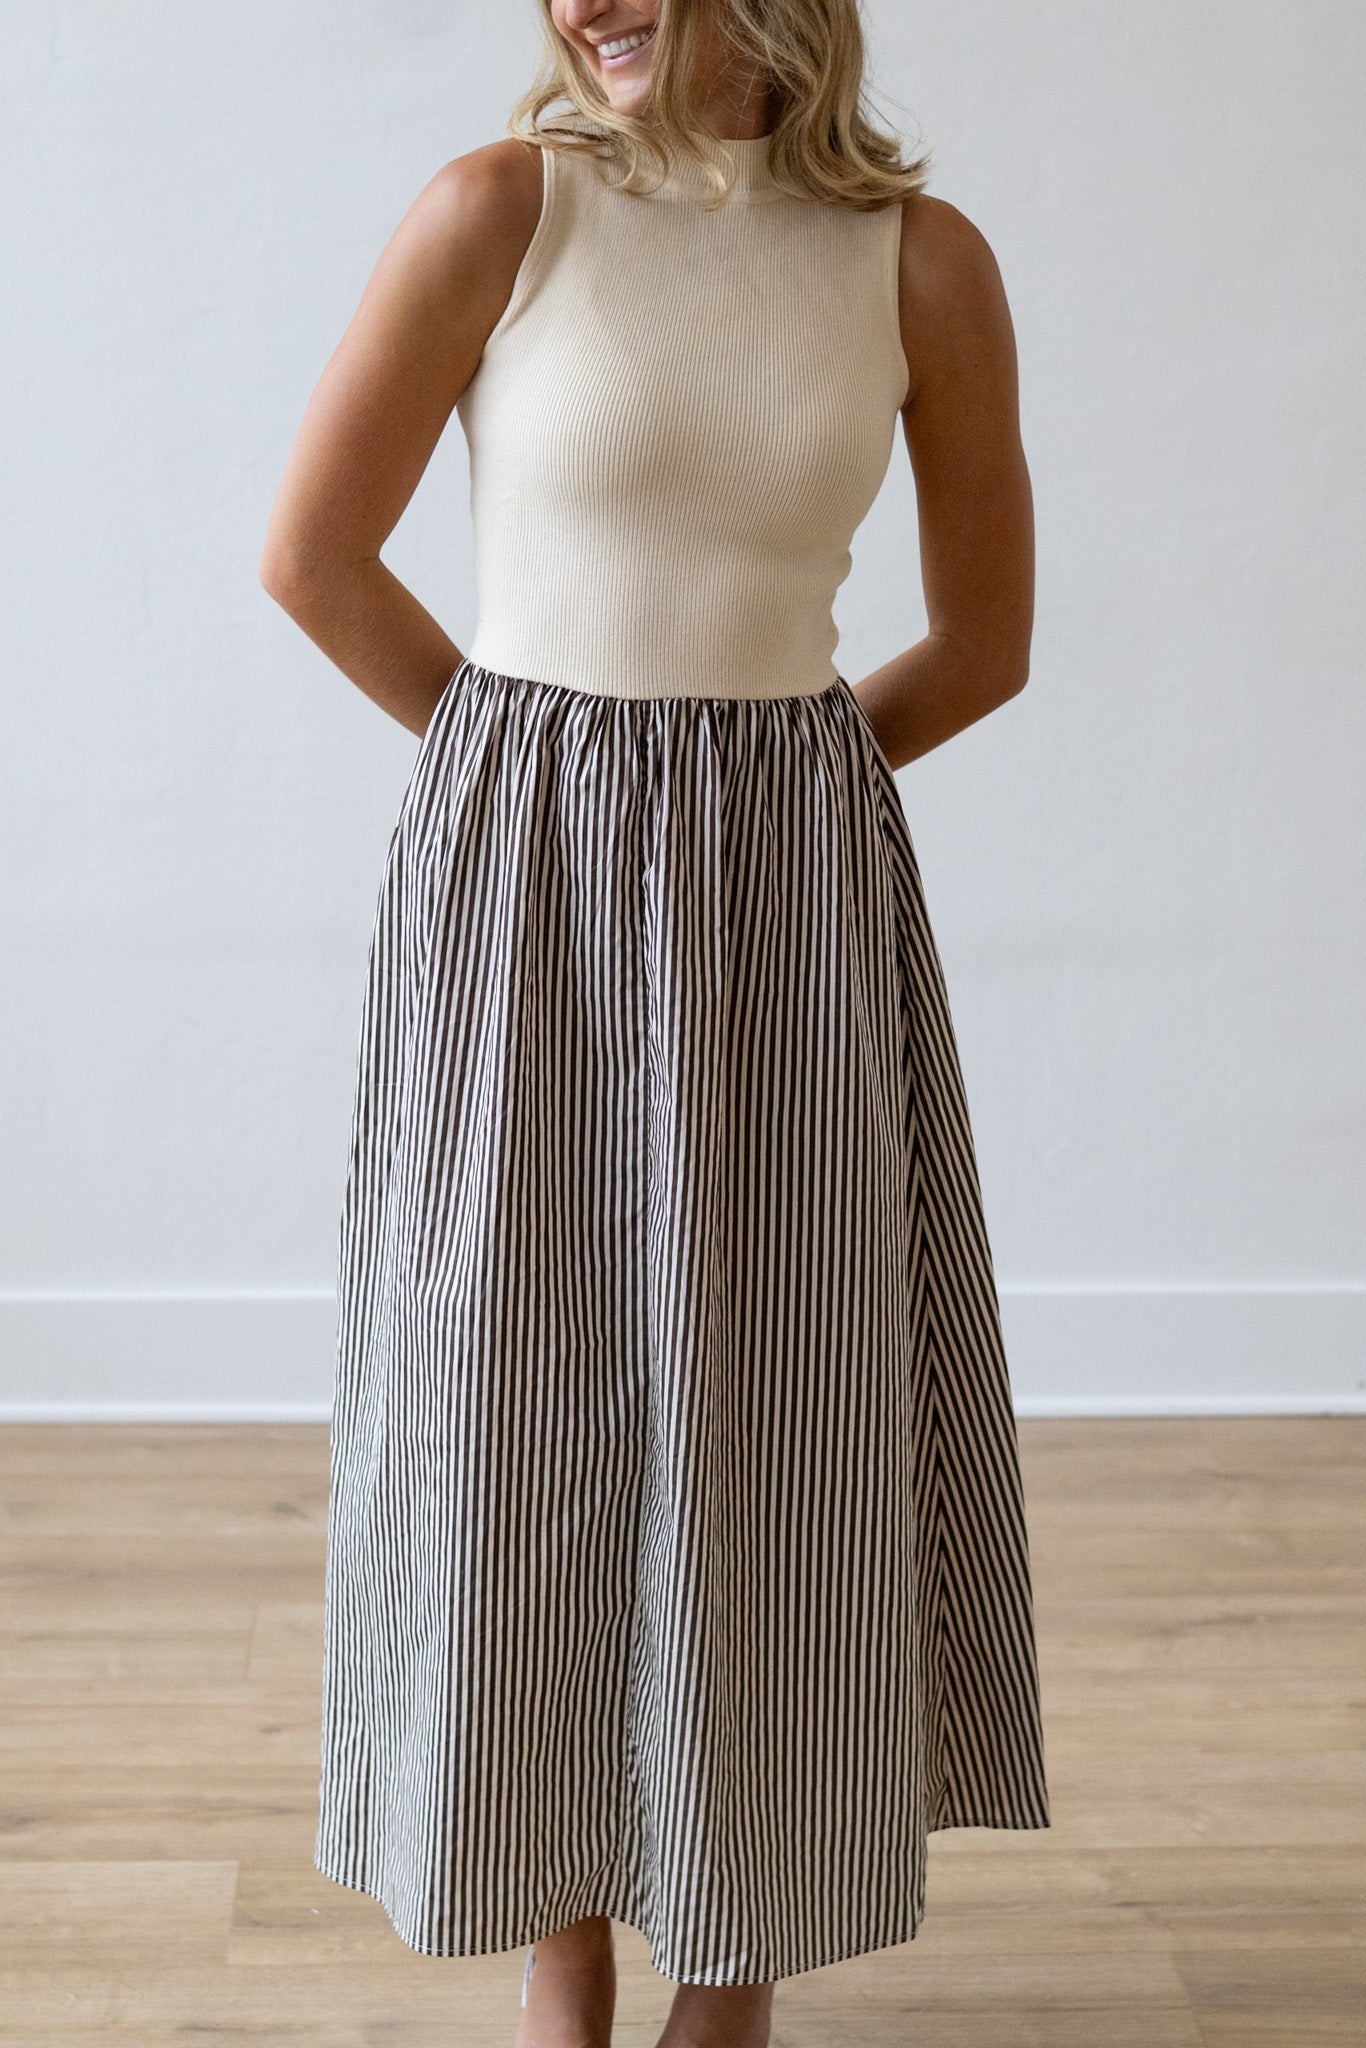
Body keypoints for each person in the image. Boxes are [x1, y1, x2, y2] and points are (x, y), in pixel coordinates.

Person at [259, 2, 1050, 2043]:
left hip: (784, 903)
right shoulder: (494, 215)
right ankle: (555, 1934)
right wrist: (529, 787)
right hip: (519, 893)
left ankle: (730, 1959)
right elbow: (312, 556)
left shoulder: (921, 263)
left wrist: (771, 803)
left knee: (771, 1411)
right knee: (510, 1388)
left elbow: (982, 639)